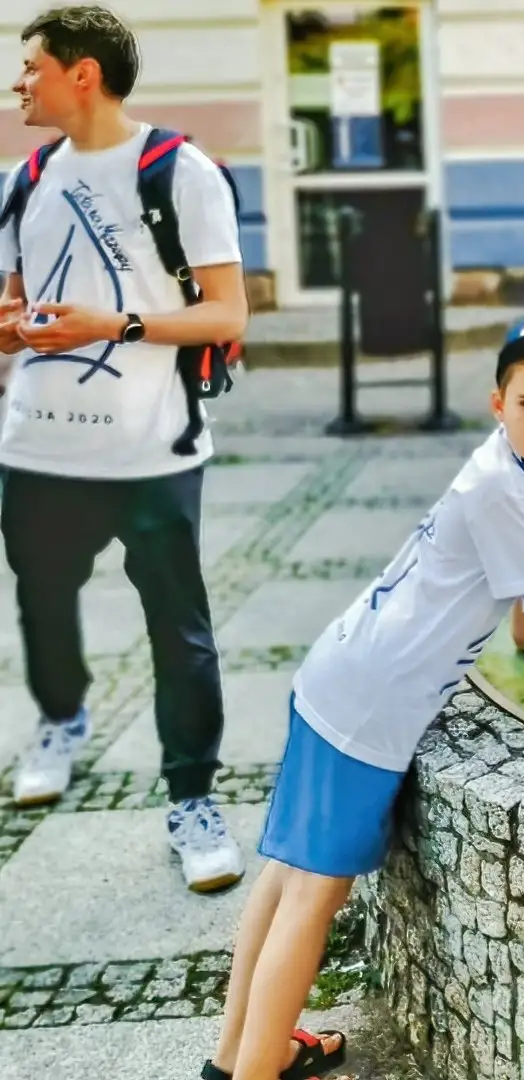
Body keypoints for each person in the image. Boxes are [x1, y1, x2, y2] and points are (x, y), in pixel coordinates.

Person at [201, 310, 524, 1080]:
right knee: (314, 895)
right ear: (498, 403)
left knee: (290, 876)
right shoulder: (501, 486)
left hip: (344, 678)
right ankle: (253, 1069)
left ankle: (238, 1054)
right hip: (366, 709)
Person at [0, 5, 251, 893]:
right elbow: (15, 304)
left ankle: (193, 801)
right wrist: (11, 329)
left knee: (179, 633)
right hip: (37, 448)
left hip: (153, 452)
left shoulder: (179, 171)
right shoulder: (25, 178)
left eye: (31, 67)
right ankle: (62, 721)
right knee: (42, 600)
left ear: (84, 74)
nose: (18, 83)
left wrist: (112, 324)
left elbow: (227, 314)